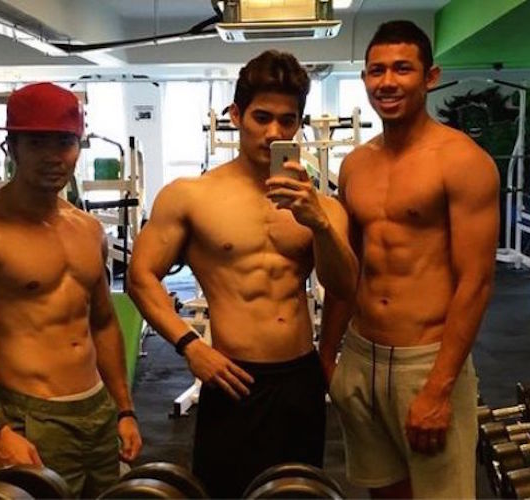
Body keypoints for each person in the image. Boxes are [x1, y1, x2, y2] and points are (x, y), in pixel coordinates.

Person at [127, 50, 358, 498]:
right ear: (236, 116)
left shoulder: (323, 207)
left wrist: (319, 224)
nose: (274, 133)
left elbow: (344, 286)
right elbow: (140, 276)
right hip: (231, 376)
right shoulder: (191, 196)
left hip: (299, 378)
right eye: (262, 117)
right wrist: (190, 346)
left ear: (299, 124)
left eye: (287, 121)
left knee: (295, 494)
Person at [0, 82, 141, 498]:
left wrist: (124, 409)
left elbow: (102, 323)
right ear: (12, 148)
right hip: (32, 416)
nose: (54, 156)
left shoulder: (89, 230)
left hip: (98, 410)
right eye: (37, 142)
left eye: (65, 142)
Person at [319, 20, 499, 498]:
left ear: (430, 77)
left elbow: (476, 282)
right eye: (377, 70)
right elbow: (348, 270)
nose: (387, 82)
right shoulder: (355, 165)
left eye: (402, 69)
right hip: (361, 354)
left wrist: (439, 387)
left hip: (426, 360)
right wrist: (328, 355)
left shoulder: (462, 161)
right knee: (383, 492)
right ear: (364, 78)